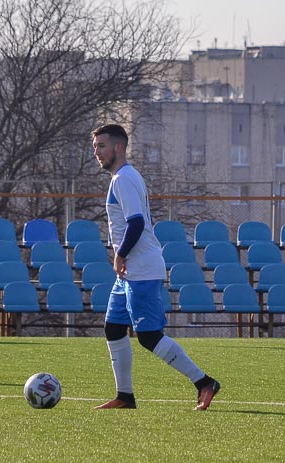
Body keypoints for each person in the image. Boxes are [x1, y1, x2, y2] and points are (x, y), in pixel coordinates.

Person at [91, 124, 220, 410]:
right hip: (130, 273)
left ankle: (204, 382)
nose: (97, 152)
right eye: (95, 147)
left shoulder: (123, 179)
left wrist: (120, 254)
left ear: (119, 147)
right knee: (113, 328)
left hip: (141, 269)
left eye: (102, 146)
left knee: (149, 336)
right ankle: (125, 396)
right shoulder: (124, 177)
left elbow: (136, 222)